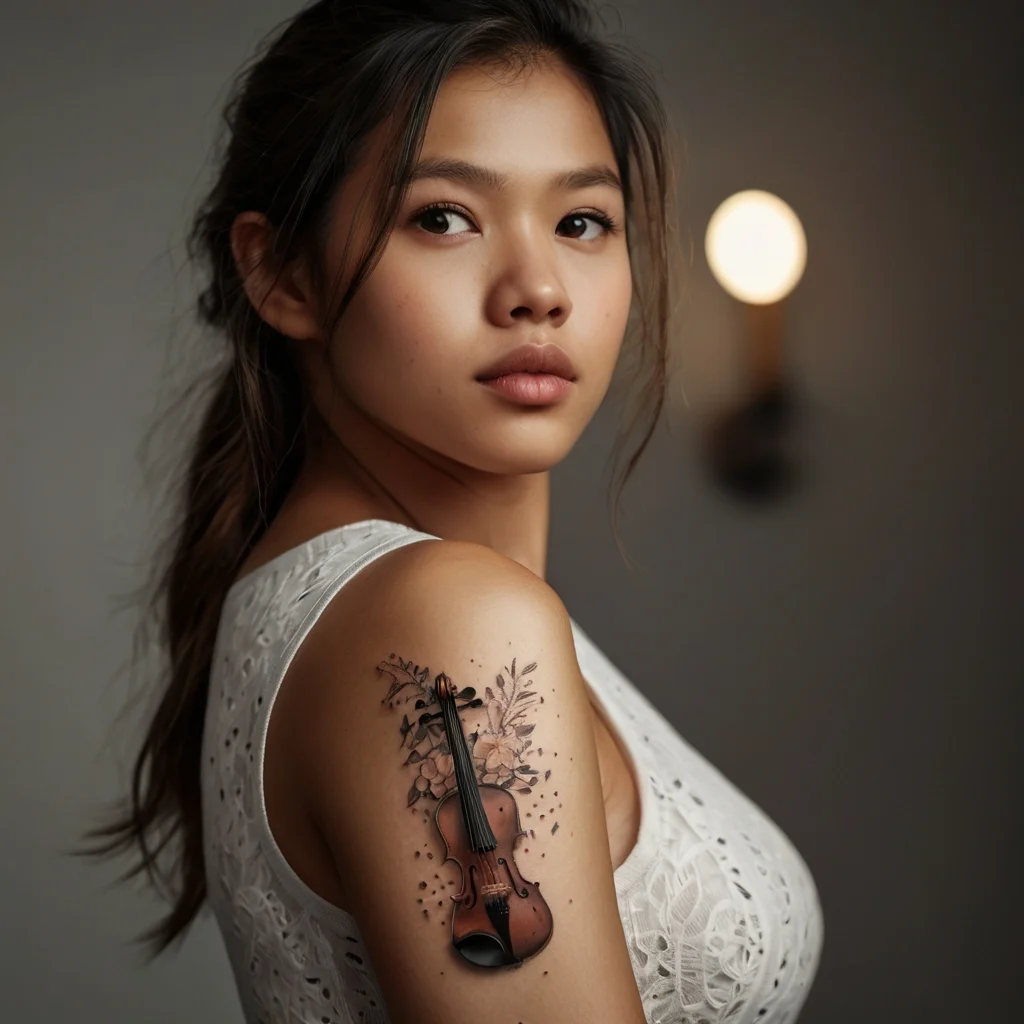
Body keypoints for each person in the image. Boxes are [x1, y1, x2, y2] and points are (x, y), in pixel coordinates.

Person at [80, 1, 823, 1021]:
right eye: (443, 217)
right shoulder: (444, 621)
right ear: (281, 271)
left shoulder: (358, 599)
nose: (537, 289)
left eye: (580, 222)